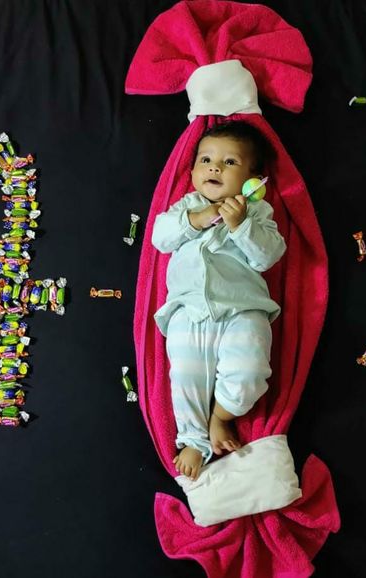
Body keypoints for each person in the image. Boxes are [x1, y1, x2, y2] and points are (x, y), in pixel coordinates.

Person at [151, 121, 286, 480]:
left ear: (252, 178)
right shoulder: (186, 207)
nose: (214, 167)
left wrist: (241, 225)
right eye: (206, 160)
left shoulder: (257, 212)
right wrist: (196, 220)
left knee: (251, 372)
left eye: (229, 163)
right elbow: (159, 238)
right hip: (189, 310)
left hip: (242, 308)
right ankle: (194, 437)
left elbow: (268, 256)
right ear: (193, 170)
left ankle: (221, 416)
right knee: (185, 373)